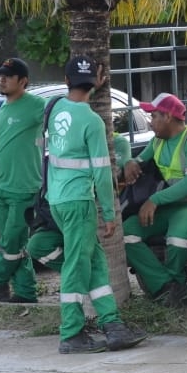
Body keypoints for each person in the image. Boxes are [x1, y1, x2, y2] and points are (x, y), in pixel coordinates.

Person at [46, 55, 147, 353]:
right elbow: (103, 172)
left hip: (59, 199)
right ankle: (71, 334)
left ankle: (112, 324)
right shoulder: (92, 120)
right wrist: (108, 210)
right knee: (77, 266)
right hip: (80, 202)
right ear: (97, 82)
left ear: (66, 81)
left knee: (94, 264)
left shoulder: (54, 108)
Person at [122, 92, 187, 305]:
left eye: (154, 116)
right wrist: (130, 162)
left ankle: (173, 290)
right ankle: (167, 287)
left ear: (169, 117)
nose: (150, 122)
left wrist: (155, 200)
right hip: (167, 207)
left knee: (178, 239)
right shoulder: (157, 141)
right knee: (127, 233)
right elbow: (139, 159)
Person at [0, 57, 45, 304]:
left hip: (25, 187)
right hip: (0, 186)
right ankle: (25, 292)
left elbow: (65, 116)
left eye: (9, 76)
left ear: (23, 82)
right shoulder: (1, 108)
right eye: (1, 74)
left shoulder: (38, 105)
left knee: (12, 241)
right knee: (12, 243)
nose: (2, 79)